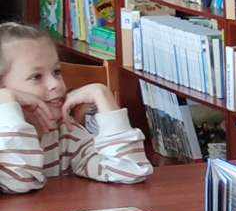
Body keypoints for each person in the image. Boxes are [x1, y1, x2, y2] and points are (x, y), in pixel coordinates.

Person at [0, 24, 150, 192]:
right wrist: (6, 100)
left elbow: (131, 171)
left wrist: (101, 94)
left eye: (57, 72)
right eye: (36, 77)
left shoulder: (66, 134)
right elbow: (20, 183)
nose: (55, 84)